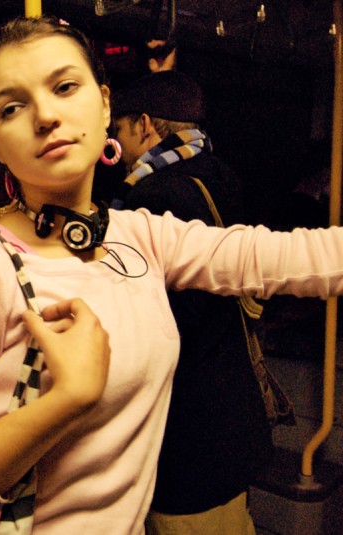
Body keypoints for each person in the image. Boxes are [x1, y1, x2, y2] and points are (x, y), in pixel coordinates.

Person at [0, 15, 343, 534]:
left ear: (104, 105)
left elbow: (292, 258)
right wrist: (65, 401)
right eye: (12, 107)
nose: (45, 116)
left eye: (64, 87)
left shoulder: (139, 235)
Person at [111, 70, 272, 534]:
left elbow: (166, 322)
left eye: (119, 129)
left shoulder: (155, 196)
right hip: (229, 411)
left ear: (144, 125)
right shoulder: (218, 175)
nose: (117, 145)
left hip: (188, 429)